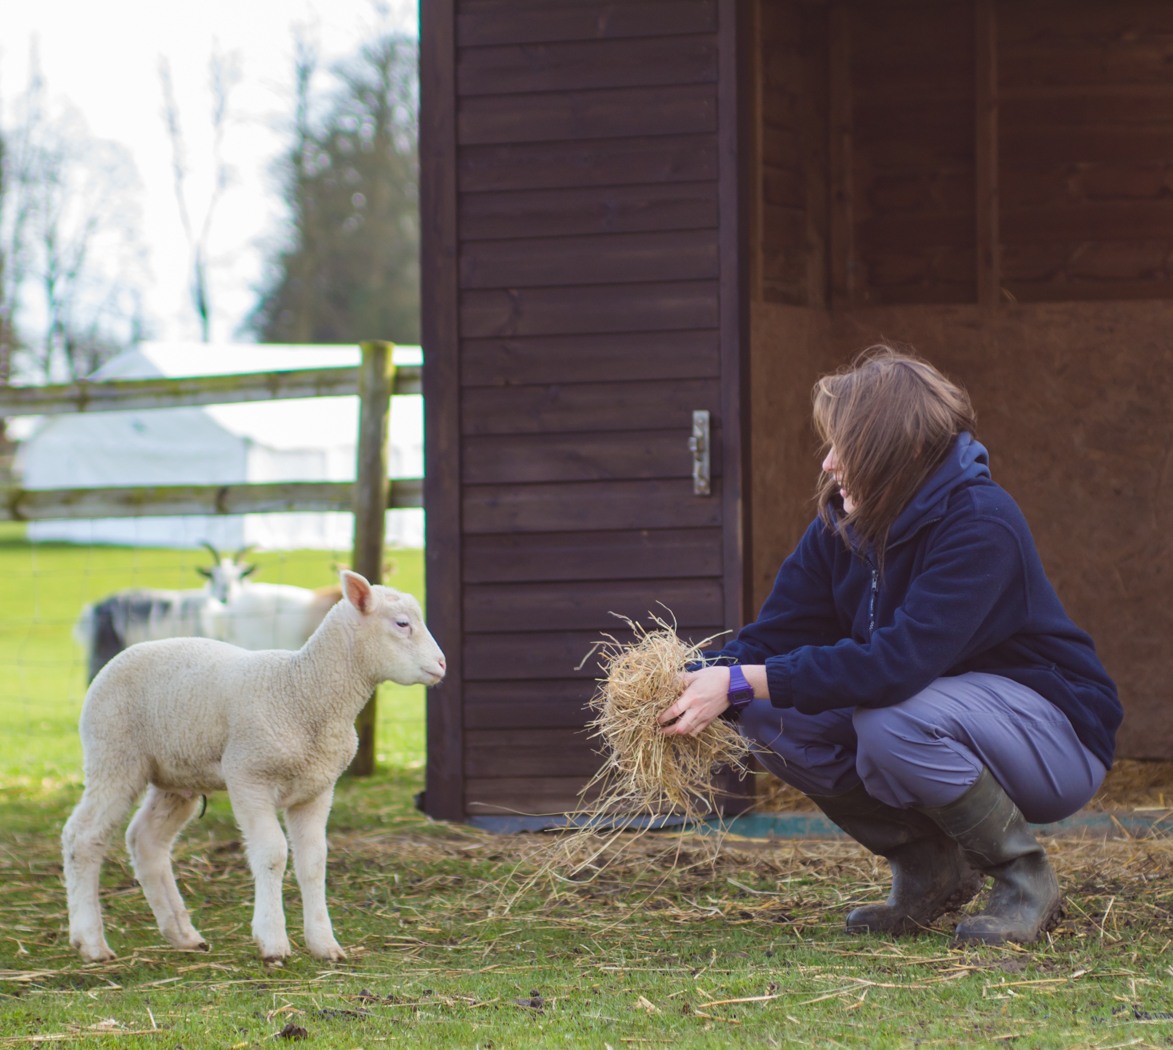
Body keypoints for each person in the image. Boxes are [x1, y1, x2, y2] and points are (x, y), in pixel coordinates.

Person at [659, 345, 1122, 946]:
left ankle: (1022, 879)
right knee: (762, 712)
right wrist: (693, 678)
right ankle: (931, 869)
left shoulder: (981, 522)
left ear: (893, 452)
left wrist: (743, 679)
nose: (827, 465)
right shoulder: (841, 526)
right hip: (933, 714)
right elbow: (775, 637)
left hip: (1056, 739)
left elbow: (897, 665)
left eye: (842, 448)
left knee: (887, 719)